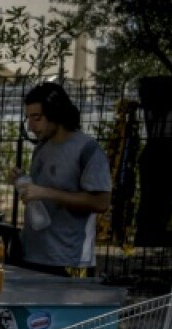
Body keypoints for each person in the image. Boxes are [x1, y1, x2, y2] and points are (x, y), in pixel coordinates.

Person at [11, 82, 112, 278]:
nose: (31, 126)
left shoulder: (87, 150)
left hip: (69, 259)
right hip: (33, 253)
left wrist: (46, 192)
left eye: (37, 118)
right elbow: (40, 191)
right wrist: (23, 181)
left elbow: (101, 202)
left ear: (55, 114)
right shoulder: (42, 147)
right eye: (28, 118)